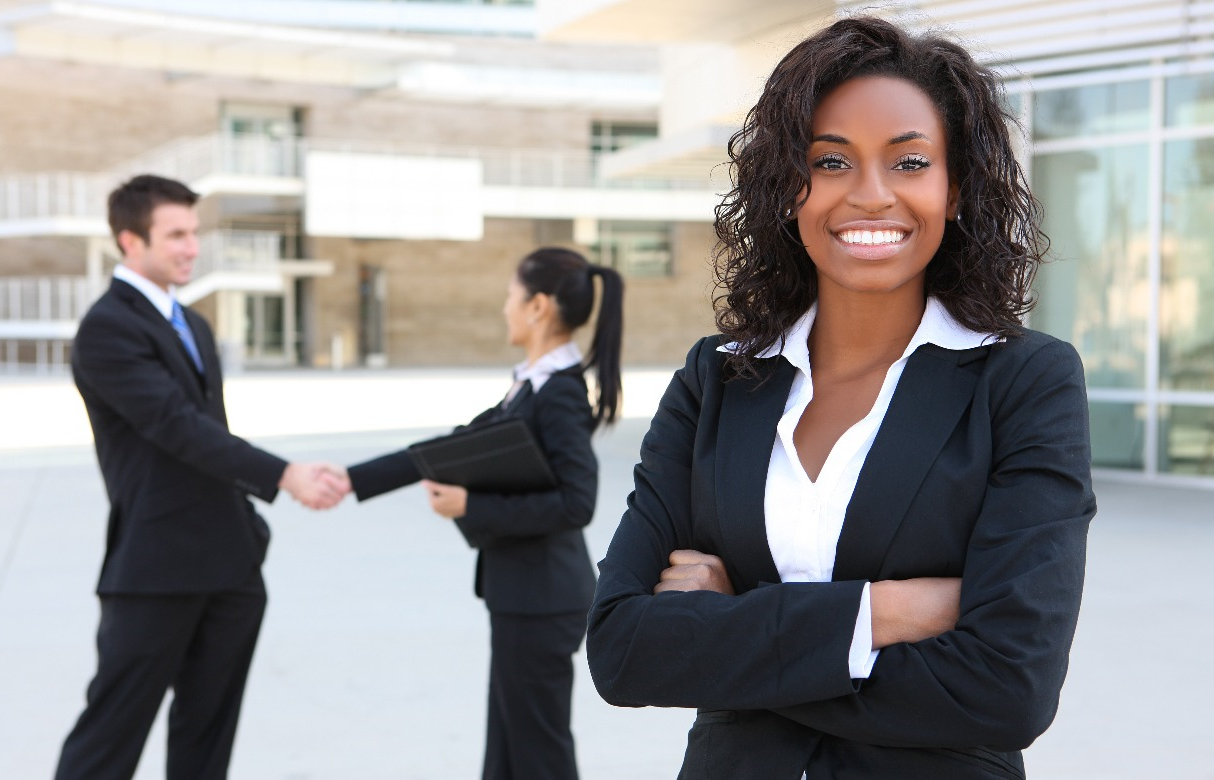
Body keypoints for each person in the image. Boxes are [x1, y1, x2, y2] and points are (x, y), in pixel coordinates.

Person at [585, 16, 1096, 780]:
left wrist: (732, 628)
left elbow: (1008, 688)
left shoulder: (1025, 382)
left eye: (910, 161)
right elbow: (623, 651)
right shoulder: (717, 379)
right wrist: (887, 612)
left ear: (955, 188)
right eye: (830, 161)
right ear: (789, 187)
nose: (870, 195)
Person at [55, 174, 349, 780]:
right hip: (156, 567)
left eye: (194, 233)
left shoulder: (192, 323)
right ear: (129, 241)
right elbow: (175, 426)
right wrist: (285, 474)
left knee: (206, 741)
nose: (192, 247)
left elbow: (211, 432)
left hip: (230, 564)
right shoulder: (108, 329)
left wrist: (249, 527)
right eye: (176, 235)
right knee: (108, 740)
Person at [343, 247, 623, 780]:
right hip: (525, 595)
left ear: (538, 307)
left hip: (542, 600)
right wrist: (355, 480)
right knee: (509, 746)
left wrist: (473, 505)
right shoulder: (533, 384)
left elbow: (576, 502)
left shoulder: (558, 393)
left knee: (538, 751)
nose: (504, 309)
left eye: (510, 297)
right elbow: (457, 446)